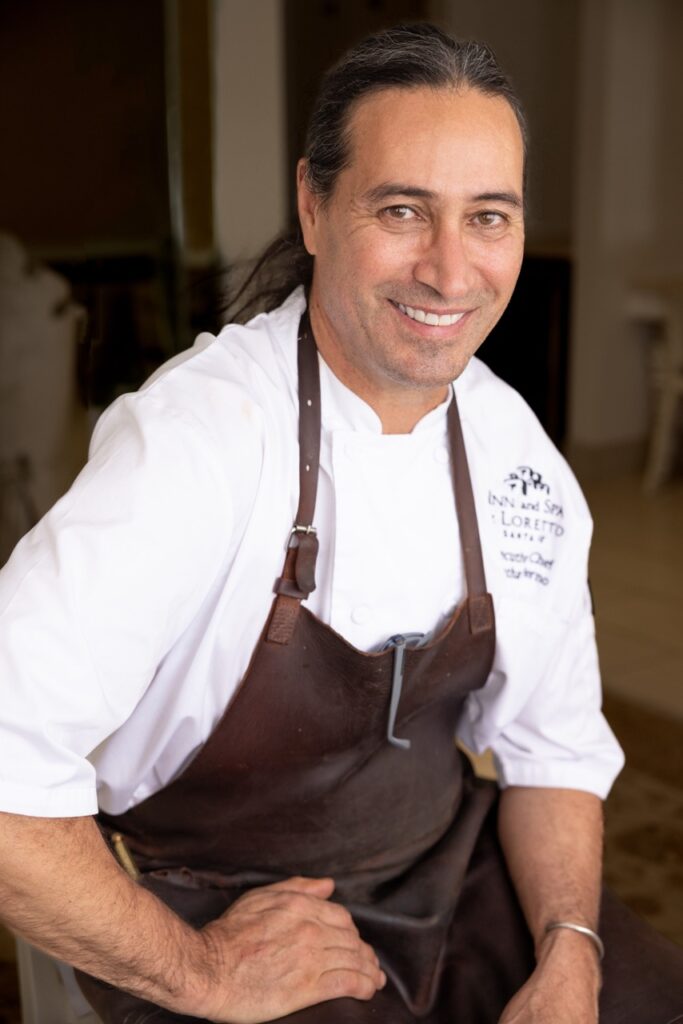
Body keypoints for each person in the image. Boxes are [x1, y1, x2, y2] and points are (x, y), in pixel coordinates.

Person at [0, 23, 681, 1024]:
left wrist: (568, 950)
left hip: (445, 882)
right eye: (403, 210)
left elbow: (553, 749)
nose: (451, 273)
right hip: (203, 898)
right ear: (313, 207)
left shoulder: (514, 457)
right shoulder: (201, 441)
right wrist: (203, 969)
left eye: (487, 217)